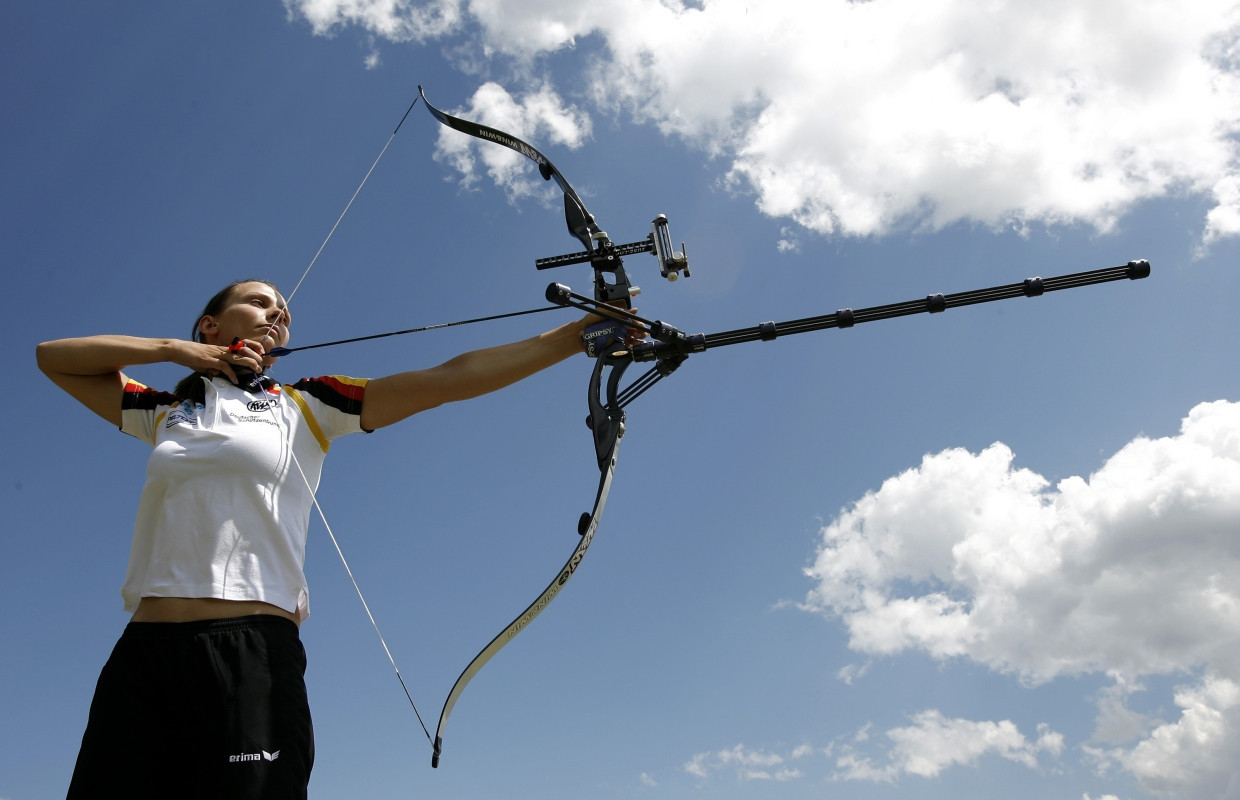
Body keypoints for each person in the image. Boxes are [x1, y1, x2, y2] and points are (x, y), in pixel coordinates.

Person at [36, 279, 632, 799]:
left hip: (254, 654)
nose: (278, 315)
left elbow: (448, 379)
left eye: (285, 312)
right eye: (259, 302)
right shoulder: (165, 410)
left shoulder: (308, 404)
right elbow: (53, 357)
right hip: (144, 655)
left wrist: (580, 333)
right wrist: (176, 351)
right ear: (211, 324)